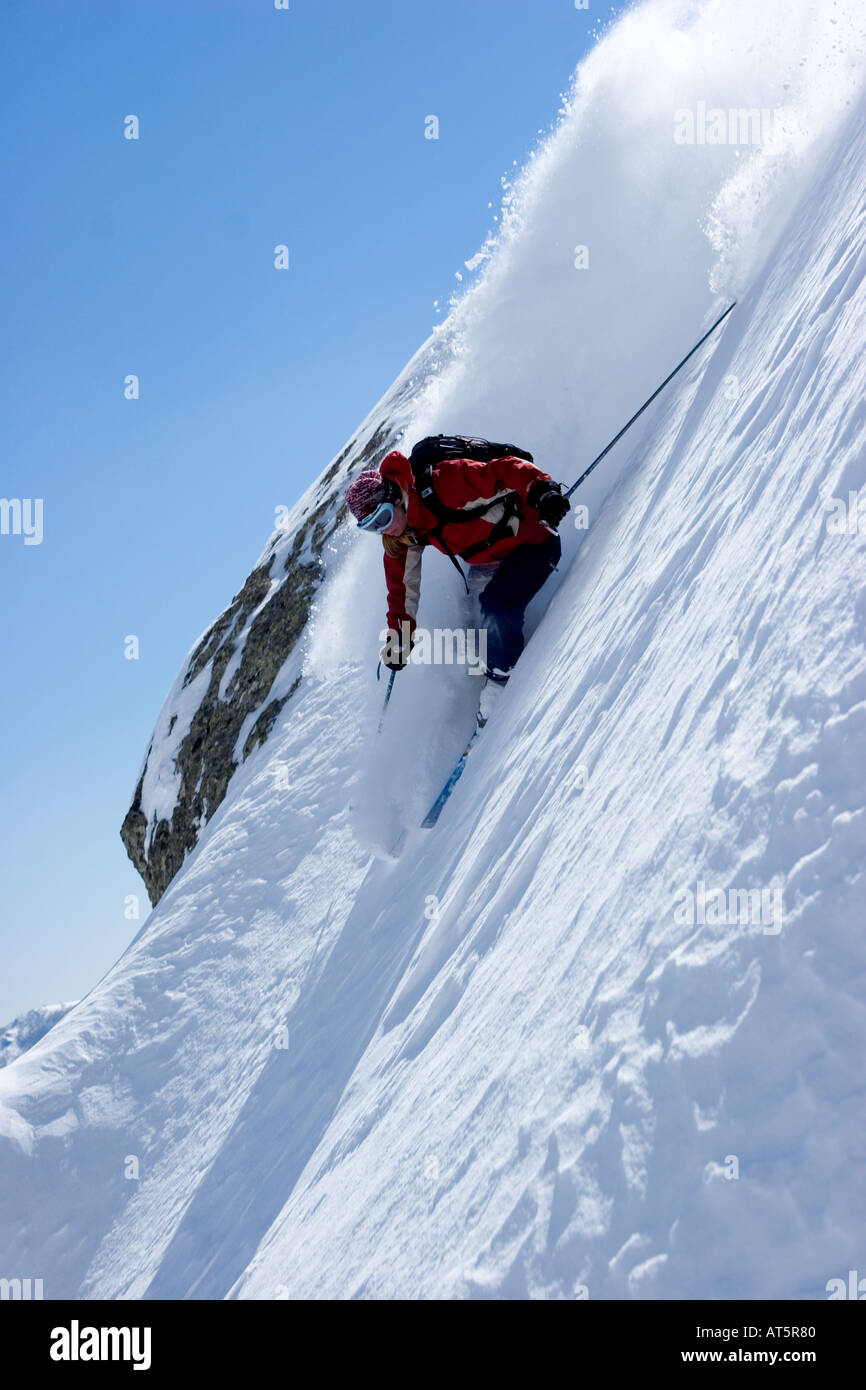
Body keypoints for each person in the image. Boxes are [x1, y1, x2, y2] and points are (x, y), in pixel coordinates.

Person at [345, 438, 570, 724]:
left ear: (395, 494)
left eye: (384, 517)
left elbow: (502, 471)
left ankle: (501, 689)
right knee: (475, 631)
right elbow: (400, 591)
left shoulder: (445, 484)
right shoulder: (402, 537)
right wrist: (399, 638)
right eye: (373, 527)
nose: (385, 529)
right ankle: (491, 676)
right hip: (489, 564)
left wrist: (541, 489)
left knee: (495, 607)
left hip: (534, 540)